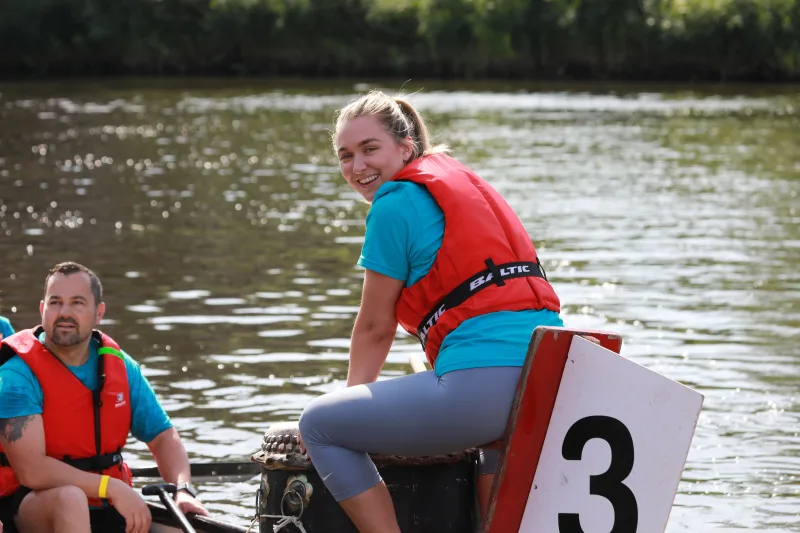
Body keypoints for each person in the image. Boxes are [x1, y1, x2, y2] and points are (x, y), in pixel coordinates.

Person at [297, 90, 564, 533]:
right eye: (345, 156)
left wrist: (346, 404)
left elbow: (376, 327)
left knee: (321, 424)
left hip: (485, 389)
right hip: (552, 379)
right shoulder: (462, 184)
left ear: (406, 148)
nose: (357, 166)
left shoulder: (395, 203)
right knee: (491, 443)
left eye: (369, 149)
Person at [0, 262, 210, 533]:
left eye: (77, 303)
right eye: (56, 303)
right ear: (43, 310)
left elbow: (163, 438)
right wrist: (110, 487)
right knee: (70, 498)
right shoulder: (16, 374)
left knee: (187, 526)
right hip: (33, 505)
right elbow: (32, 471)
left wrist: (183, 490)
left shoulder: (120, 366)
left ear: (99, 312)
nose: (64, 313)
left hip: (106, 502)